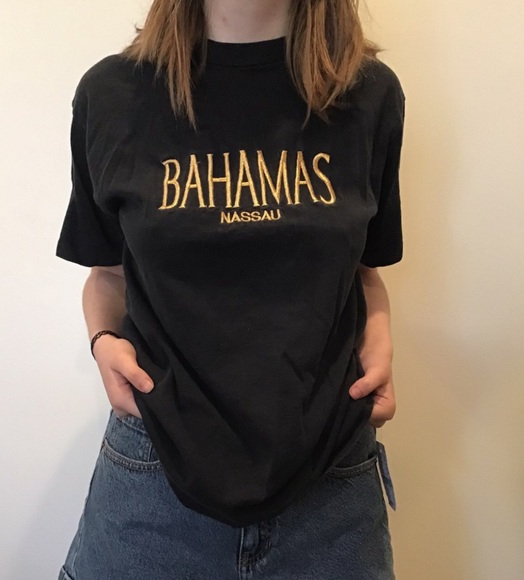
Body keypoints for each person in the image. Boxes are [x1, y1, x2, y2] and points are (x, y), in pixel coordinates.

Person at [56, 0, 404, 577]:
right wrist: (102, 343)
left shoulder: (368, 94)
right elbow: (108, 275)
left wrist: (380, 336)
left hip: (331, 483)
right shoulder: (112, 94)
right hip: (153, 478)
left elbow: (365, 272)